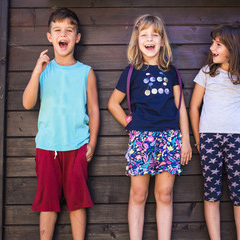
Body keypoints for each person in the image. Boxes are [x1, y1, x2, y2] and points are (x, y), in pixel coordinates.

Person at [107, 14, 192, 240]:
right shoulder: (131, 72)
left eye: (155, 34)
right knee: (139, 193)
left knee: (164, 194)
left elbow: (181, 107)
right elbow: (113, 104)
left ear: (162, 41)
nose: (149, 39)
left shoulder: (171, 71)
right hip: (141, 137)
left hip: (170, 137)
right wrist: (129, 122)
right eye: (144, 34)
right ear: (137, 40)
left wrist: (185, 140)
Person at [22, 8, 99, 240]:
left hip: (77, 146)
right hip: (47, 147)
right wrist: (37, 71)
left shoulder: (86, 72)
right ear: (50, 37)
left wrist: (92, 143)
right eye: (57, 30)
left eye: (68, 30)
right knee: (48, 203)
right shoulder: (44, 70)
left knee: (77, 202)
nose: (62, 34)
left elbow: (94, 110)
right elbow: (27, 103)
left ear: (77, 37)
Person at [189, 22, 240, 240]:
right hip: (208, 139)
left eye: (218, 44)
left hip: (236, 139)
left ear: (234, 47)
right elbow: (194, 107)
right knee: (211, 192)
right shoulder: (206, 73)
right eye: (213, 43)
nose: (212, 48)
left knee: (239, 192)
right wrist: (199, 140)